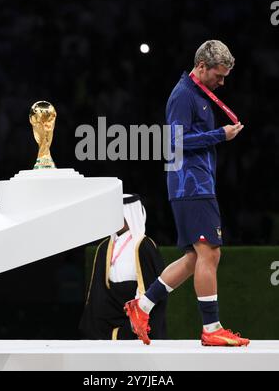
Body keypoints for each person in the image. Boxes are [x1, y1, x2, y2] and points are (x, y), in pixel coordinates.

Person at [124, 40, 250, 347]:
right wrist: (220, 134)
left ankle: (141, 307)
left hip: (194, 183)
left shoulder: (198, 94)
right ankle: (211, 328)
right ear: (202, 66)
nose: (222, 82)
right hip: (190, 185)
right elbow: (175, 141)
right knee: (210, 253)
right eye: (219, 76)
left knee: (195, 257)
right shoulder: (183, 95)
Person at [79, 193, 167, 340]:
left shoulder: (144, 245)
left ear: (130, 214)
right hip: (108, 314)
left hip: (136, 313)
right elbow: (98, 290)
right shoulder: (104, 247)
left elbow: (151, 286)